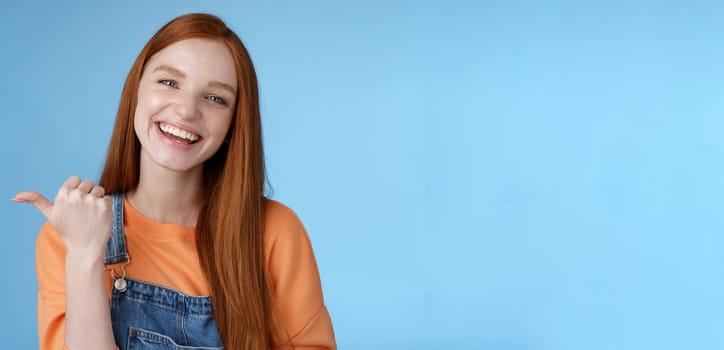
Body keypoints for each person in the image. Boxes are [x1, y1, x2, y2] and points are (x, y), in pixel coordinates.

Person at [13, 13, 336, 350]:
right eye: (169, 82)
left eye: (215, 99)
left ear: (232, 127)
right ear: (136, 91)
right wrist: (84, 255)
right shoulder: (69, 234)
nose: (185, 110)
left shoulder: (274, 232)